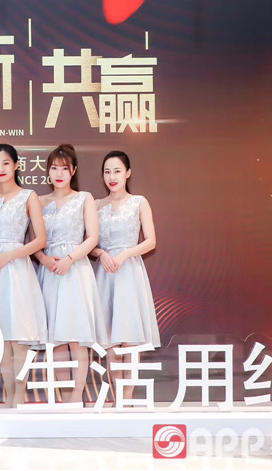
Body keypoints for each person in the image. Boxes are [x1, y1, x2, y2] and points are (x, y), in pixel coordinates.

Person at [34, 144, 108, 404]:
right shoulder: (38, 201)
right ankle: (64, 399)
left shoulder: (84, 198)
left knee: (77, 338)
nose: (59, 173)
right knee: (56, 341)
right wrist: (44, 259)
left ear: (73, 171)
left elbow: (93, 237)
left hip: (75, 270)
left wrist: (70, 259)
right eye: (54, 168)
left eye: (64, 169)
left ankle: (76, 398)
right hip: (49, 271)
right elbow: (32, 241)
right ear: (47, 171)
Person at [0, 143, 47, 408]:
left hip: (16, 270)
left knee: (18, 335)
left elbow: (40, 240)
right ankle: (8, 396)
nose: (0, 169)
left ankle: (20, 396)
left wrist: (9, 256)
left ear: (16, 165)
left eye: (6, 163)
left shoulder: (29, 196)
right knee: (0, 337)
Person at [89, 150, 159, 401]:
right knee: (109, 340)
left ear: (128, 173)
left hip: (129, 272)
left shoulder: (139, 202)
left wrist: (125, 254)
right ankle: (117, 396)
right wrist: (100, 253)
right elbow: (89, 242)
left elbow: (151, 241)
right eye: (107, 172)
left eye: (117, 171)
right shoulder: (96, 205)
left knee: (129, 340)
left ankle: (127, 399)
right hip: (105, 273)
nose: (112, 177)